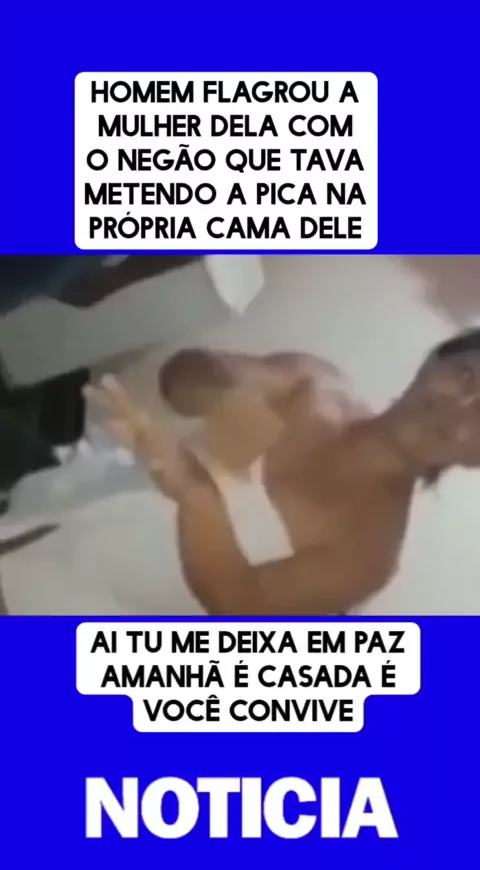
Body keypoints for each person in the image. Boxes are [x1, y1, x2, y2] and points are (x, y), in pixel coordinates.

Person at [87, 329, 480, 616]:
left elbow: (235, 605)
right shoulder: (315, 385)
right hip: (86, 518)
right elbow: (183, 374)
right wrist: (217, 393)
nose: (458, 408)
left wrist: (198, 497)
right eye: (466, 377)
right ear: (433, 361)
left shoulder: (370, 553)